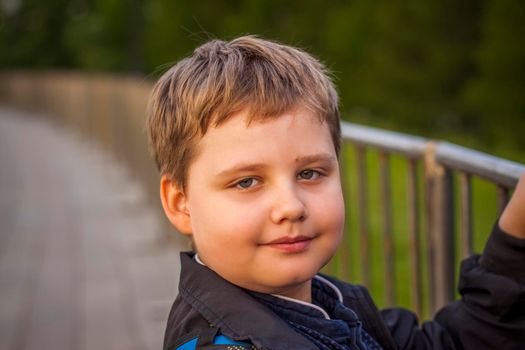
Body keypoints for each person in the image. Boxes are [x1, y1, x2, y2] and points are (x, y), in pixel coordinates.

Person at [146, 36, 525, 350]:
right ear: (180, 203)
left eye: (310, 173)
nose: (291, 207)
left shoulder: (327, 305)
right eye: (247, 182)